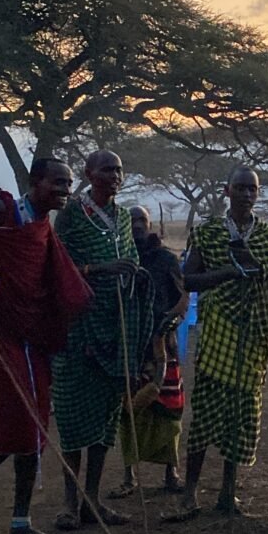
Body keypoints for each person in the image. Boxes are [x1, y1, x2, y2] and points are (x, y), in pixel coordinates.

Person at [0, 158, 93, 534]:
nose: (64, 190)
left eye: (69, 184)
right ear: (35, 181)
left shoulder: (42, 225)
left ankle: (20, 521)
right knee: (14, 424)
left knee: (35, 427)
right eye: (57, 183)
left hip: (31, 334)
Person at [165, 166, 268, 522]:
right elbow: (190, 279)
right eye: (241, 188)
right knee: (204, 415)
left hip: (253, 337)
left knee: (242, 414)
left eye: (253, 189)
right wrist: (229, 272)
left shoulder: (267, 237)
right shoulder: (210, 232)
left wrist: (256, 270)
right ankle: (189, 494)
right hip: (218, 332)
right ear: (227, 191)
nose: (247, 195)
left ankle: (227, 494)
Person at [52, 150, 155, 530]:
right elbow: (57, 269)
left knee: (106, 420)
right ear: (89, 173)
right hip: (78, 330)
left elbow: (129, 259)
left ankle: (91, 500)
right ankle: (68, 502)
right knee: (73, 419)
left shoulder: (124, 217)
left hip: (116, 331)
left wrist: (135, 275)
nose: (115, 176)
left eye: (119, 170)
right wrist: (101, 268)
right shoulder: (72, 215)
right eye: (108, 169)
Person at [106, 206, 189, 499]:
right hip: (129, 346)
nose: (138, 225)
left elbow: (183, 296)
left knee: (169, 409)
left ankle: (171, 472)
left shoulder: (166, 258)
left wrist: (173, 321)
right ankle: (129, 476)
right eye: (133, 221)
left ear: (151, 225)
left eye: (143, 220)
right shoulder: (120, 259)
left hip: (161, 345)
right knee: (128, 411)